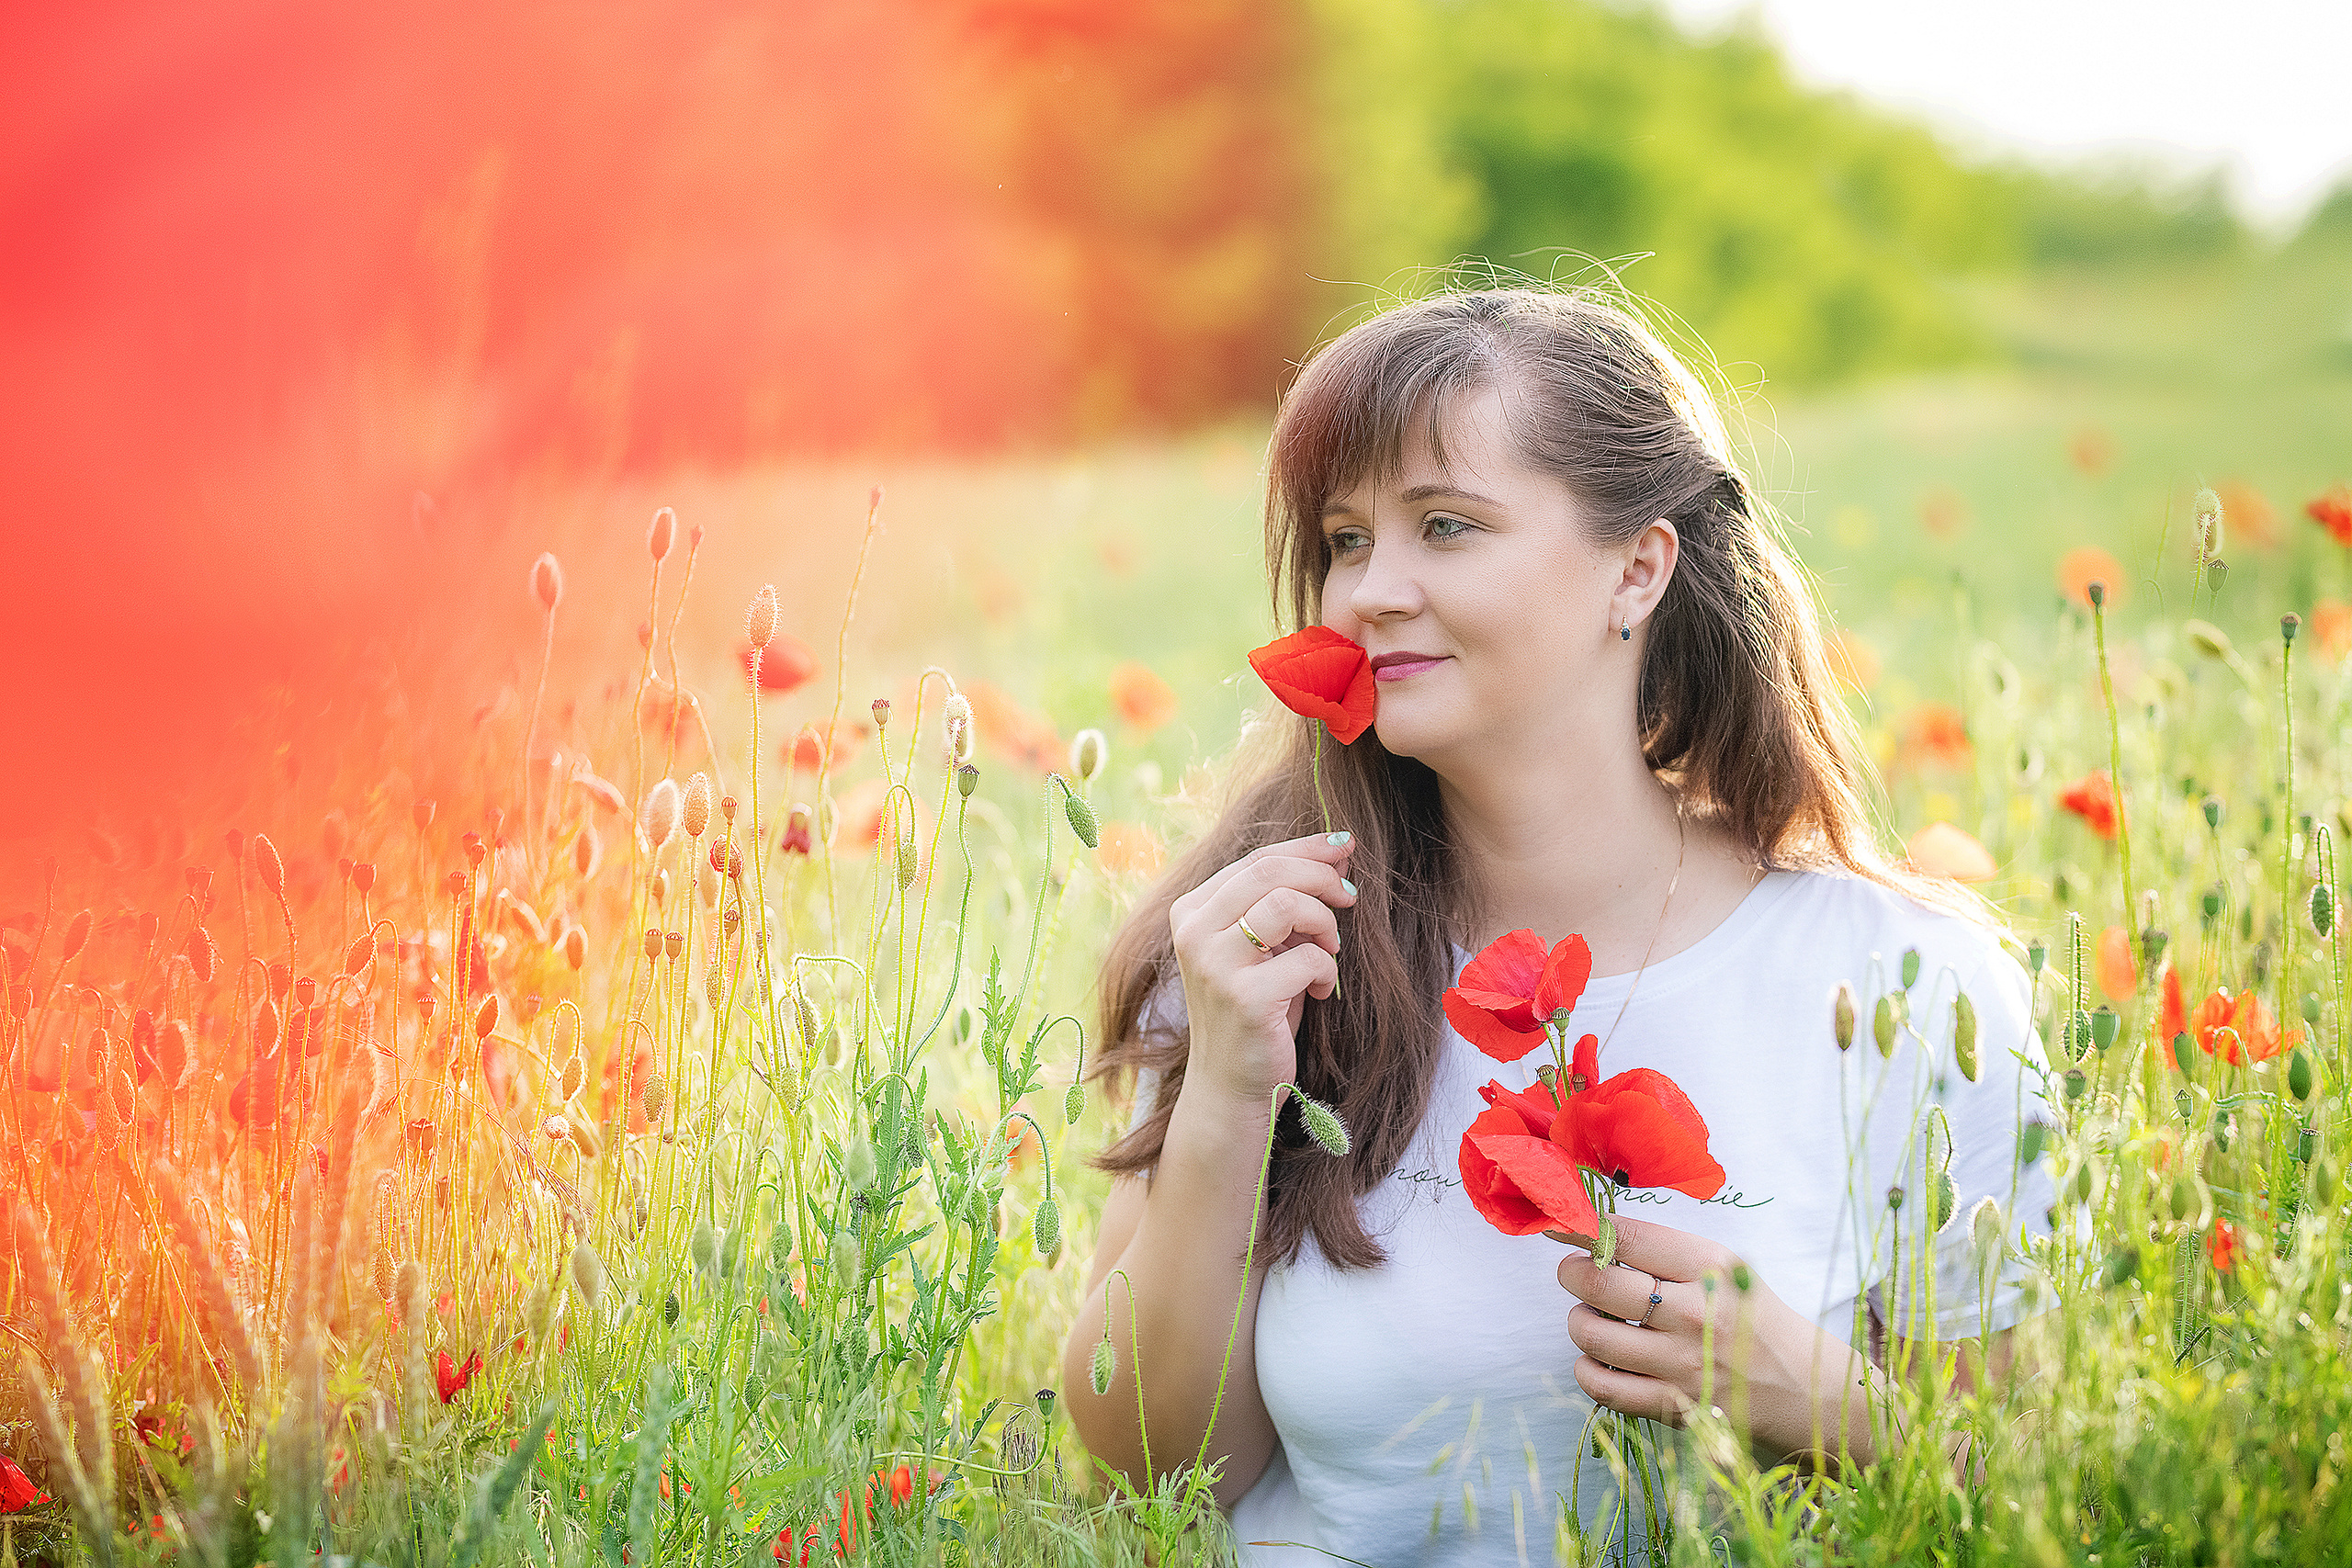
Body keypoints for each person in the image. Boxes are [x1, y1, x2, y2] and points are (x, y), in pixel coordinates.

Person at [1059, 286, 2060, 1565]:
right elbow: (1152, 1462)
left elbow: (2031, 1501)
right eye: (1347, 539)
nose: (1371, 590)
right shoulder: (1269, 952)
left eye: (1445, 526)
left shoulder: (1904, 978)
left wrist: (1829, 1405)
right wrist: (1226, 1098)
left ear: (1638, 568)